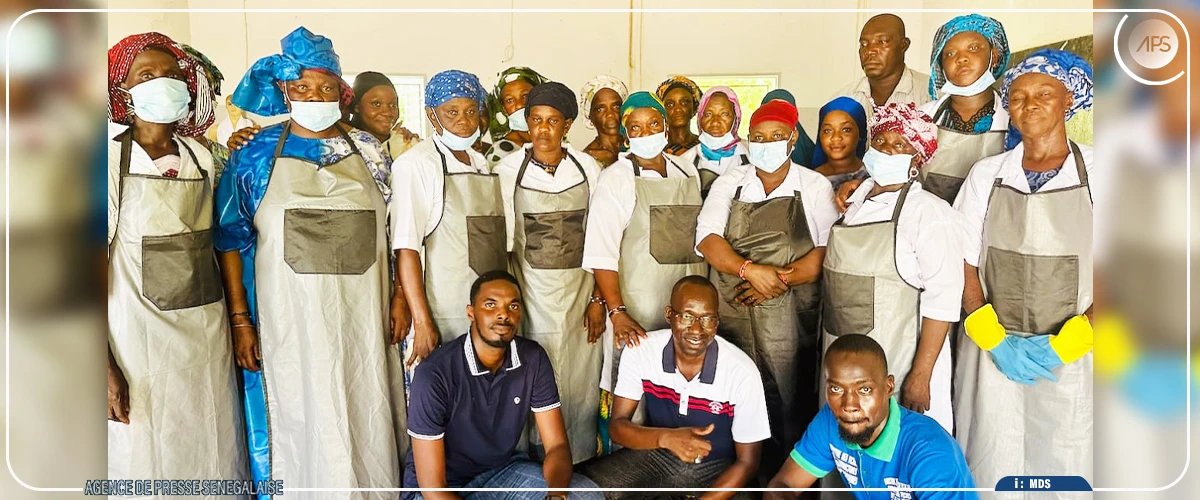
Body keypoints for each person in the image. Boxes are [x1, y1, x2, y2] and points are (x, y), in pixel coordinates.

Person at [213, 27, 404, 493]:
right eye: (302, 87)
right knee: (299, 420)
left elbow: (396, 233)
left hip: (364, 320)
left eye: (324, 87)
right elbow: (230, 239)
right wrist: (240, 320)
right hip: (287, 324)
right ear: (284, 91)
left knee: (366, 413)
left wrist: (399, 295)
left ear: (341, 91)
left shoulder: (372, 152)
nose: (314, 96)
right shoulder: (253, 154)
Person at [106, 32, 248, 491]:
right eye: (146, 75)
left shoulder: (201, 158)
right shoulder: (106, 160)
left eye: (171, 74)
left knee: (213, 447)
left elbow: (223, 239)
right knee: (149, 455)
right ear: (122, 89)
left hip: (206, 337)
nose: (162, 82)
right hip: (138, 344)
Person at [954, 49, 1097, 493]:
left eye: (1044, 94)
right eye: (1017, 97)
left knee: (1069, 460)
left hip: (1076, 359)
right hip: (993, 352)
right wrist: (992, 336)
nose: (1029, 104)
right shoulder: (987, 175)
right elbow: (962, 259)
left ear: (1068, 100)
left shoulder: (1103, 172)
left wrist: (1074, 339)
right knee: (992, 458)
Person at [695, 98, 839, 474]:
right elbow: (707, 239)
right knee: (735, 393)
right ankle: (736, 477)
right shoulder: (731, 182)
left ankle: (787, 483)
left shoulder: (813, 185)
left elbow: (829, 250)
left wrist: (776, 280)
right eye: (758, 137)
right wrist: (748, 270)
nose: (766, 143)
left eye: (776, 136)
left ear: (793, 139)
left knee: (789, 399)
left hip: (790, 317)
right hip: (734, 312)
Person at [822, 102, 961, 433]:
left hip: (899, 359)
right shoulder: (852, 202)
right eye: (881, 141)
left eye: (900, 145)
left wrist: (921, 375)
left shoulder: (928, 212)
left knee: (898, 446)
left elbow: (943, 301)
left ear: (916, 159)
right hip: (841, 351)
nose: (886, 150)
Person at [405, 270, 602, 500]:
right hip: (443, 488)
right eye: (490, 305)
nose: (503, 314)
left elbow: (557, 446)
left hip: (500, 473)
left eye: (513, 306)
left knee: (585, 495)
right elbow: (434, 490)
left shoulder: (532, 358)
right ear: (471, 313)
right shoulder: (434, 374)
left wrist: (556, 495)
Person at [583, 91, 708, 455]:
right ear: (625, 136)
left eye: (653, 123)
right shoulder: (617, 178)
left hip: (685, 310)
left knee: (679, 391)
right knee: (633, 394)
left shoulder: (687, 171)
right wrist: (617, 312)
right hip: (637, 309)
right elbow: (602, 252)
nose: (646, 133)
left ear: (665, 126)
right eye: (635, 127)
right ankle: (625, 469)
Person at [577, 276, 770, 499]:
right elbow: (617, 428)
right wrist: (666, 438)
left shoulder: (742, 371)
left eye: (707, 318)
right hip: (659, 456)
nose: (696, 329)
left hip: (720, 467)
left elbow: (748, 463)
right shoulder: (641, 350)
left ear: (717, 321)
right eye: (687, 316)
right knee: (581, 490)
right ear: (669, 314)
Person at [495, 82, 604, 463]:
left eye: (552, 121)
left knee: (579, 378)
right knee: (530, 376)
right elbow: (504, 243)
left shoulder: (588, 168)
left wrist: (598, 299)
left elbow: (602, 238)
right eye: (536, 120)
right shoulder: (507, 171)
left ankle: (578, 459)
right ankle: (531, 463)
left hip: (579, 297)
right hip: (532, 296)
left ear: (567, 125)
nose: (543, 129)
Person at [391, 69, 506, 373]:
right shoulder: (416, 164)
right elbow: (406, 249)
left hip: (486, 315)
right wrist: (422, 321)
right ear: (432, 115)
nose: (463, 120)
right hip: (441, 312)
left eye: (470, 111)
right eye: (451, 112)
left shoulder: (480, 163)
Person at [765, 334, 977, 500]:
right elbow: (783, 485)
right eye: (836, 389)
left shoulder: (929, 452)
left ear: (888, 388)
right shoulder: (831, 421)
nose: (849, 406)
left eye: (864, 390)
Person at [916, 14, 1011, 203]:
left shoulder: (1013, 118)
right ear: (940, 64)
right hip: (929, 218)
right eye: (950, 54)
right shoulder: (921, 118)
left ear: (994, 56)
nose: (961, 59)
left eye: (973, 48)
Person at [833, 14, 932, 120]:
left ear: (904, 45)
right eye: (864, 44)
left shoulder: (931, 95)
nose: (870, 51)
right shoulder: (842, 100)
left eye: (882, 42)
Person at [680, 86, 751, 198]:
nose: (715, 122)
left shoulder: (752, 156)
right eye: (708, 114)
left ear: (736, 118)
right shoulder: (684, 162)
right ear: (700, 119)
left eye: (724, 114)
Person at [486, 66, 550, 165]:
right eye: (509, 100)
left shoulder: (554, 140)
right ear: (504, 109)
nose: (519, 105)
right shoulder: (501, 152)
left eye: (525, 96)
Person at [813, 97, 870, 191]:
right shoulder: (809, 180)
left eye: (846, 130)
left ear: (860, 134)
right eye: (828, 131)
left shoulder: (873, 176)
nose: (836, 137)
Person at [579, 75, 629, 168]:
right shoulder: (587, 160)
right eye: (600, 109)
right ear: (590, 116)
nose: (610, 114)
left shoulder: (637, 146)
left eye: (616, 106)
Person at [760, 89, 818, 168]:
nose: (779, 114)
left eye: (786, 109)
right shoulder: (753, 148)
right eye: (773, 109)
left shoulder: (812, 153)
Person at [656, 75, 702, 156]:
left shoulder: (704, 148)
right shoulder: (656, 149)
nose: (677, 109)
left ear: (694, 108)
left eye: (684, 102)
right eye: (670, 104)